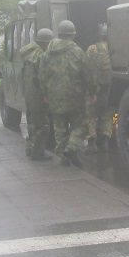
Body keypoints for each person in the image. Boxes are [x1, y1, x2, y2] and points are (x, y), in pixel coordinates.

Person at [39, 20, 95, 167]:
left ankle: (63, 156)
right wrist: (92, 92)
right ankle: (71, 148)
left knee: (60, 128)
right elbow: (87, 75)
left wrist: (45, 93)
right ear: (73, 35)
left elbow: (42, 76)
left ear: (59, 34)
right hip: (75, 96)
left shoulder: (47, 53)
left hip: (54, 96)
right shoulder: (78, 52)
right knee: (81, 125)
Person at [20, 28, 54, 160]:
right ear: (45, 43)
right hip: (38, 96)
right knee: (42, 125)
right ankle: (38, 153)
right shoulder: (41, 57)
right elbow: (43, 78)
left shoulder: (29, 55)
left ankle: (30, 148)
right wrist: (47, 94)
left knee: (32, 123)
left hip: (29, 94)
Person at [86, 23, 113, 154]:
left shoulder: (92, 49)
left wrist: (91, 91)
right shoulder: (113, 48)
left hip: (94, 88)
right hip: (109, 88)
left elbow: (88, 69)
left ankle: (91, 142)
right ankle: (107, 139)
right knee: (109, 114)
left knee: (91, 115)